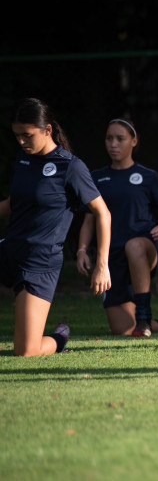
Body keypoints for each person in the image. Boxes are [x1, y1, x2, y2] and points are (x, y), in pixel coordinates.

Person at [76, 118, 158, 337]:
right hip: (113, 258)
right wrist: (82, 250)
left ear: (134, 141)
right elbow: (89, 220)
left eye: (120, 139)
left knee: (134, 245)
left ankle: (145, 318)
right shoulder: (97, 178)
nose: (113, 144)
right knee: (123, 330)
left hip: (145, 249)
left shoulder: (148, 176)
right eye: (109, 139)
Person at [0, 97, 111, 356]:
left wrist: (102, 265)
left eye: (27, 136)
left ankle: (58, 339)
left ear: (47, 130)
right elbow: (10, 205)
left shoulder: (71, 167)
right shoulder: (23, 159)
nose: (21, 142)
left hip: (39, 263)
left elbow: (103, 213)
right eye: (17, 136)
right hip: (10, 251)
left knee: (26, 352)